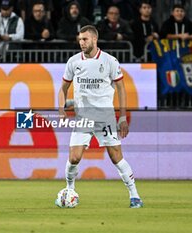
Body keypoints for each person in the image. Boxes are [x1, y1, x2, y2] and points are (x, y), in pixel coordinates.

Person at [58, 25, 143, 208]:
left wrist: (122, 117)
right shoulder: (73, 62)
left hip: (105, 117)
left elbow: (121, 89)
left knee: (116, 157)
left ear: (94, 39)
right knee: (74, 158)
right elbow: (63, 88)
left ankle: (134, 195)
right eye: (80, 39)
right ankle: (69, 190)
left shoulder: (110, 61)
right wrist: (61, 108)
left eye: (85, 39)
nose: (81, 43)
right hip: (83, 118)